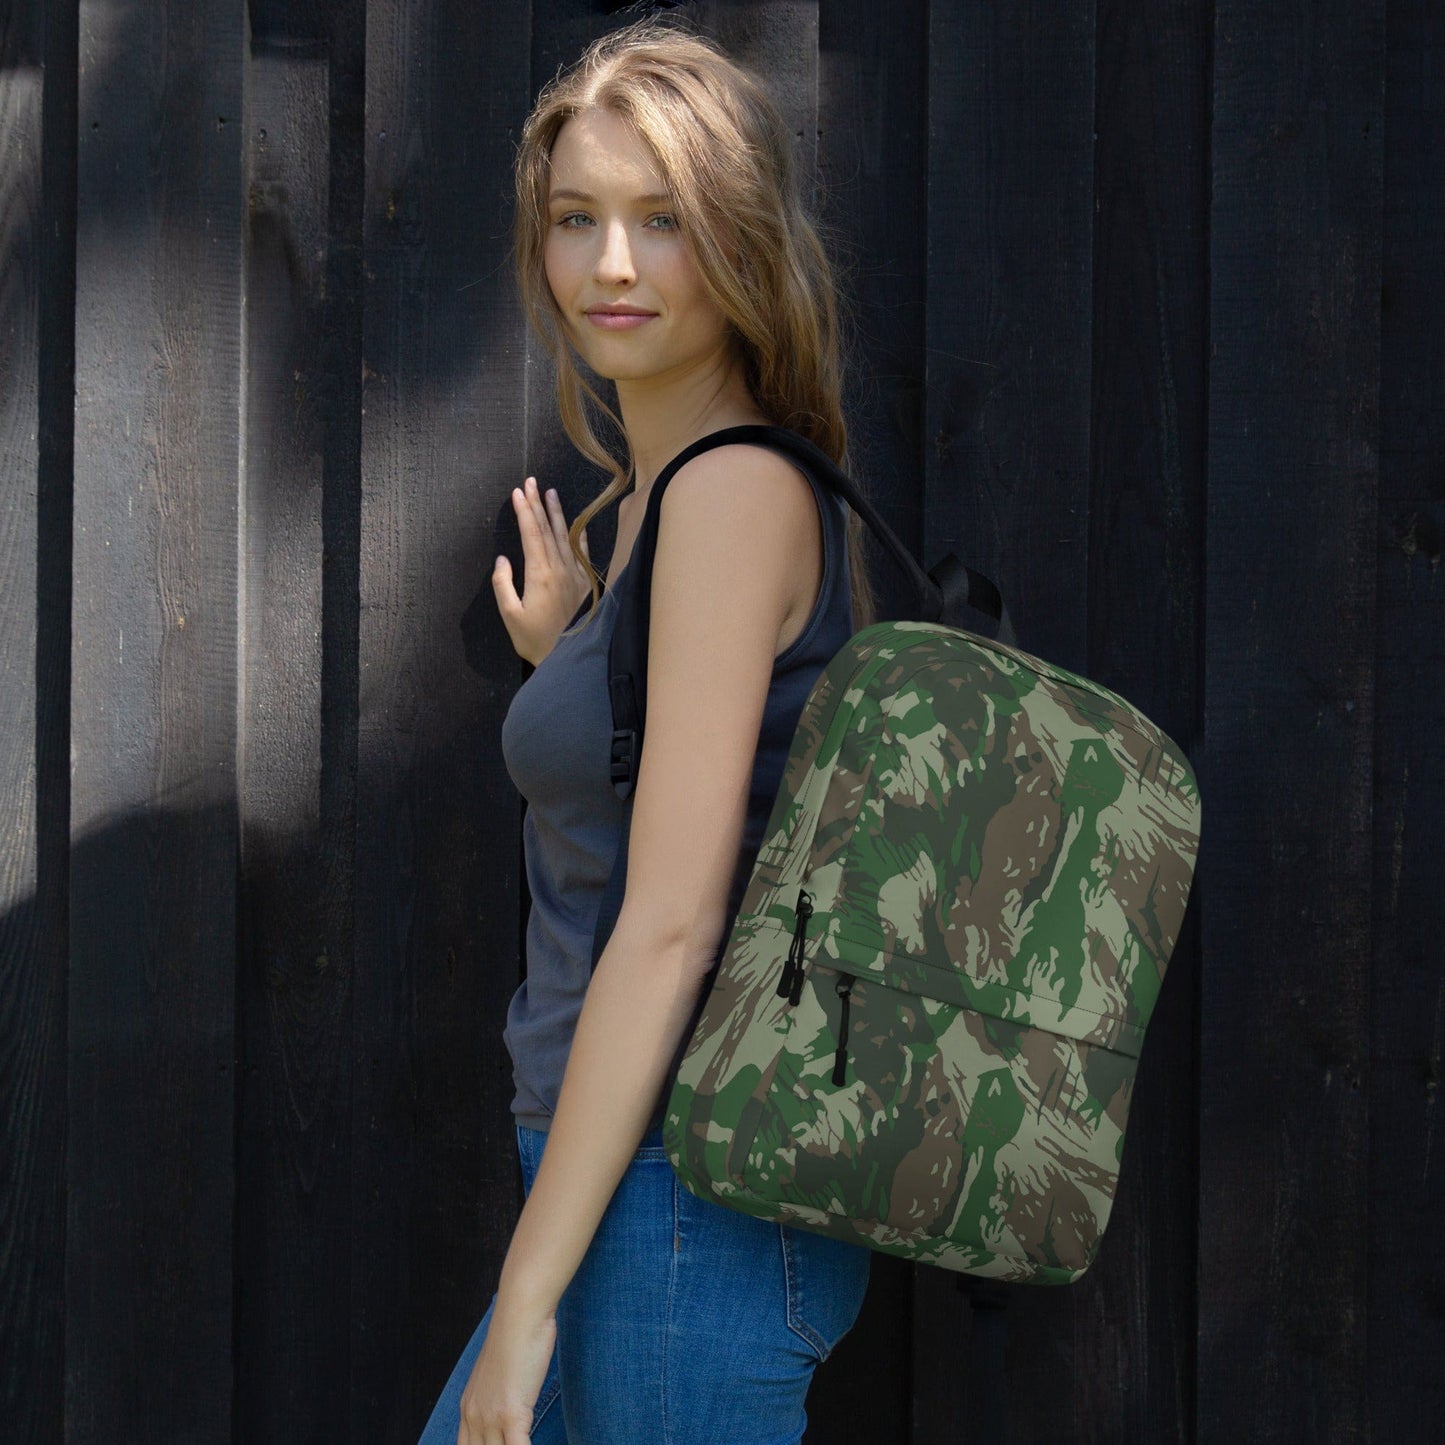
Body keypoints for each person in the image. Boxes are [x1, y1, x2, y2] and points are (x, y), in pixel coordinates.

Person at [418, 20, 879, 1445]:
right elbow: (659, 797)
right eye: (577, 218)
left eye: (661, 220)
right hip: (624, 1178)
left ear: (739, 241)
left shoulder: (731, 495)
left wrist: (528, 1296)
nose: (610, 264)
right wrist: (575, 659)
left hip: (688, 1194)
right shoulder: (649, 505)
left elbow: (675, 924)